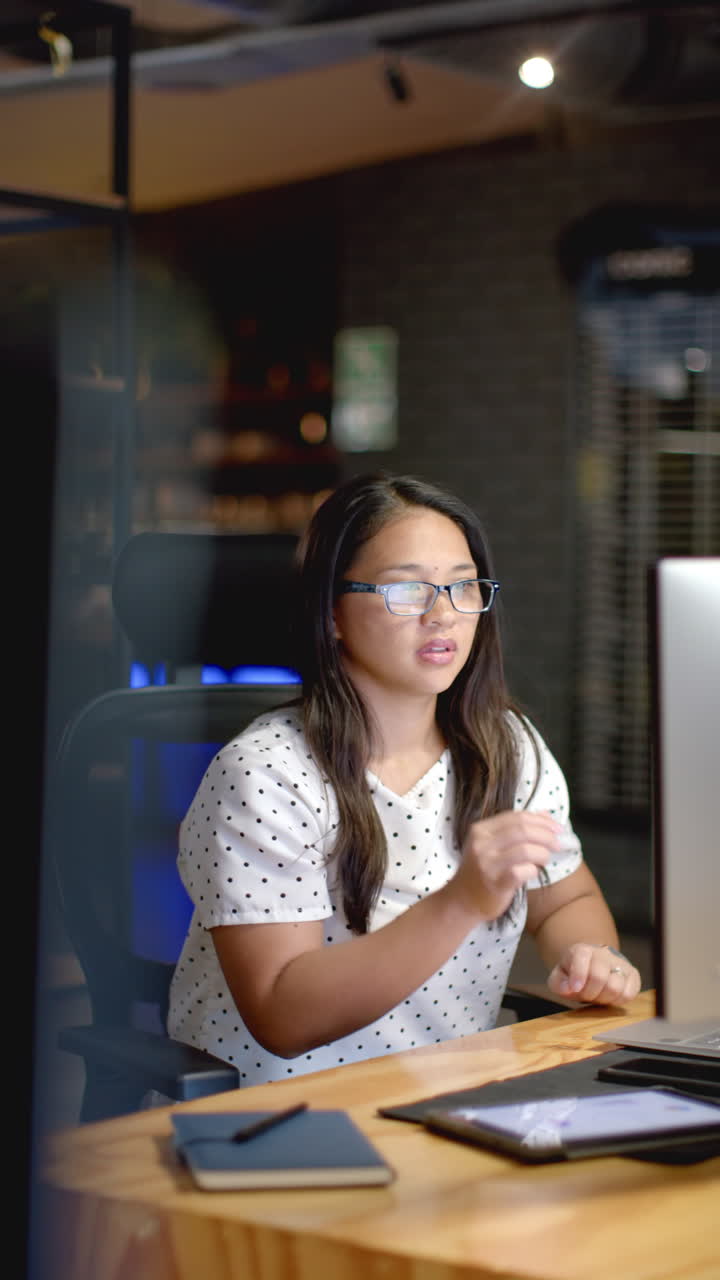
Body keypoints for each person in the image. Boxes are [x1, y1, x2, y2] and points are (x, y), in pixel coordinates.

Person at [168, 473, 641, 1084]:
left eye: (464, 587)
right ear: (332, 612)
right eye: (407, 589)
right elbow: (282, 1016)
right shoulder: (265, 773)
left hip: (449, 1091)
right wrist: (463, 901)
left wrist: (592, 957)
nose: (443, 613)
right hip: (274, 1115)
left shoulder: (507, 747)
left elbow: (566, 898)